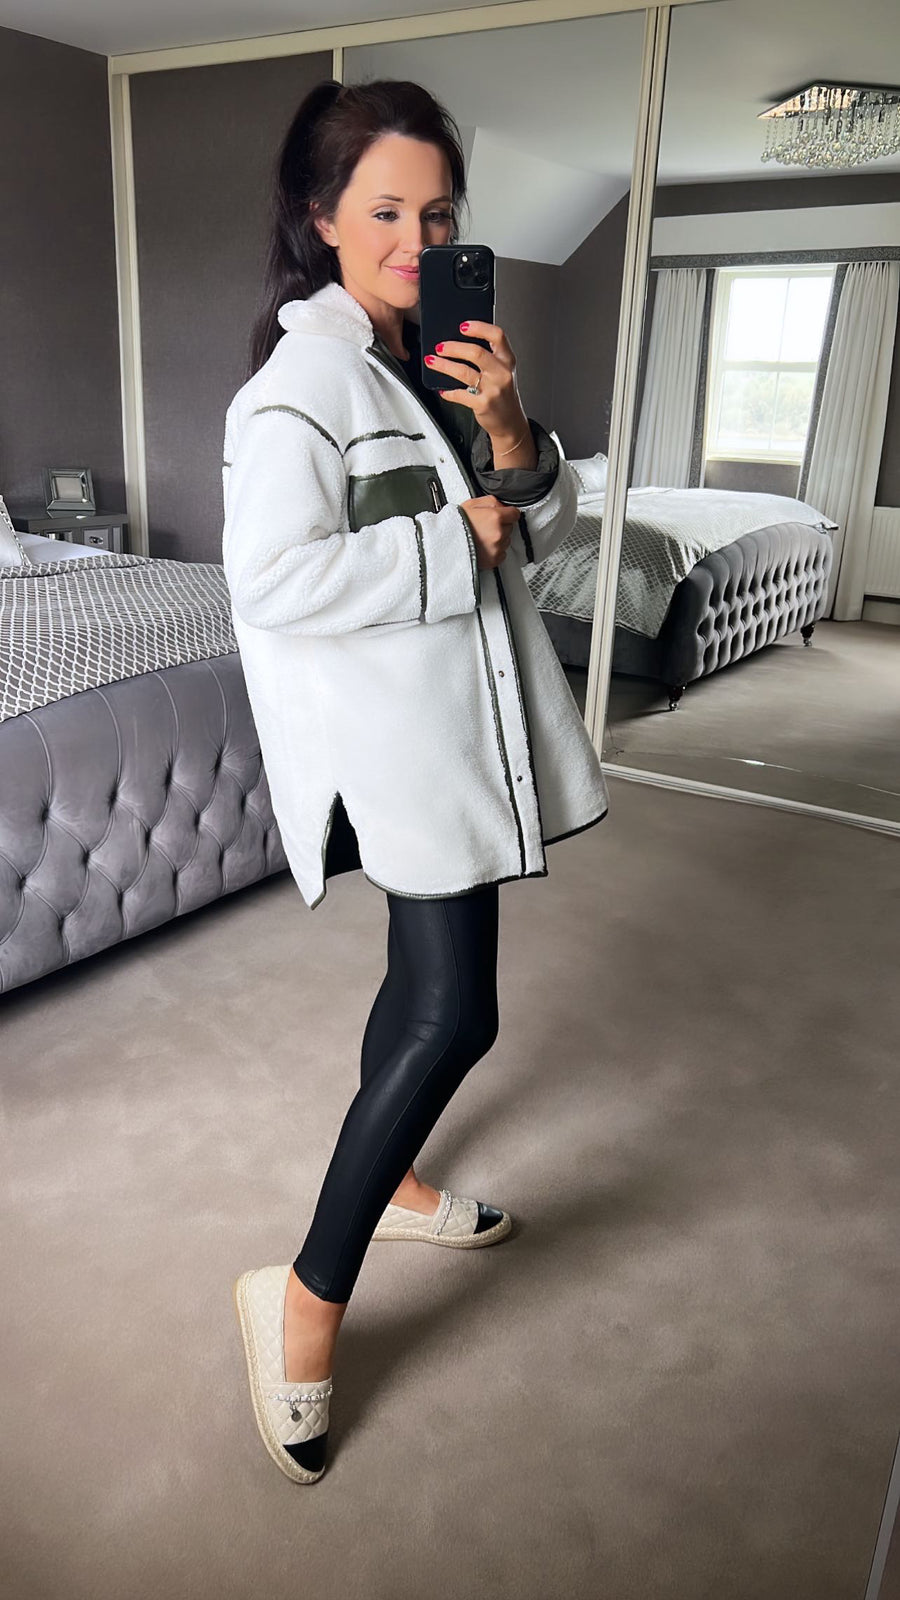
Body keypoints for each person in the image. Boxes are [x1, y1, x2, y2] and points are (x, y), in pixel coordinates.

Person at [224, 78, 609, 1483]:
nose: (415, 239)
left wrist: (508, 432)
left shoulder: (433, 359)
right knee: (458, 1013)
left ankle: (389, 1180)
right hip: (400, 742)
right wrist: (458, 543)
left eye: (438, 214)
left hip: (464, 723)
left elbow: (534, 529)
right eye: (384, 210)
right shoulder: (299, 390)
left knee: (420, 990)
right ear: (320, 217)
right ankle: (303, 1297)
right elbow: (272, 581)